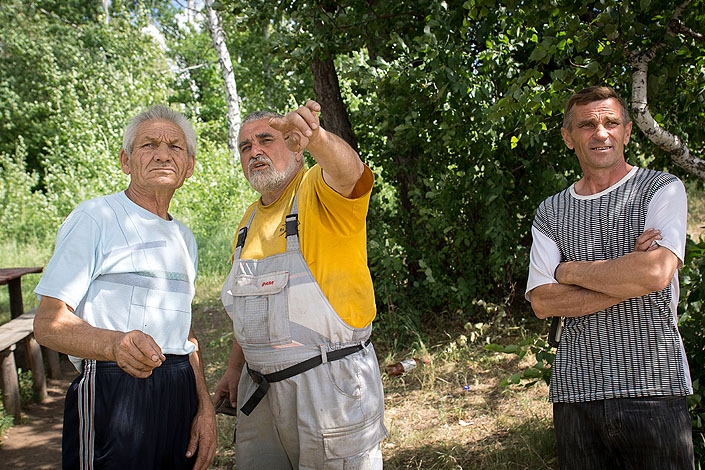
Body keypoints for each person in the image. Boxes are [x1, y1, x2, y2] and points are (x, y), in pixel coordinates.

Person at [33, 105, 217, 470]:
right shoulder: (95, 217)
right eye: (148, 144)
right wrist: (114, 344)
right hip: (115, 389)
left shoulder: (184, 237)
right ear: (125, 161)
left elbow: (186, 333)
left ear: (190, 167)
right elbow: (48, 324)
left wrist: (204, 405)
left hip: (179, 389)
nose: (163, 153)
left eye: (175, 147)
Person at [526, 86, 694, 469]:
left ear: (628, 131)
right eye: (587, 125)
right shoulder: (551, 211)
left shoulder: (661, 189)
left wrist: (568, 270)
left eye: (611, 123)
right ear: (569, 138)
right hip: (576, 392)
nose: (601, 133)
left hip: (655, 386)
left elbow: (655, 272)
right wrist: (628, 275)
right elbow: (542, 301)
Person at [215, 100, 387, 469]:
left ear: (295, 148)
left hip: (328, 390)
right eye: (245, 147)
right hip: (260, 394)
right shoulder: (246, 223)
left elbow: (350, 172)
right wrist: (234, 369)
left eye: (266, 140)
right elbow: (250, 309)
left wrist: (316, 138)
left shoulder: (317, 190)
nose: (254, 151)